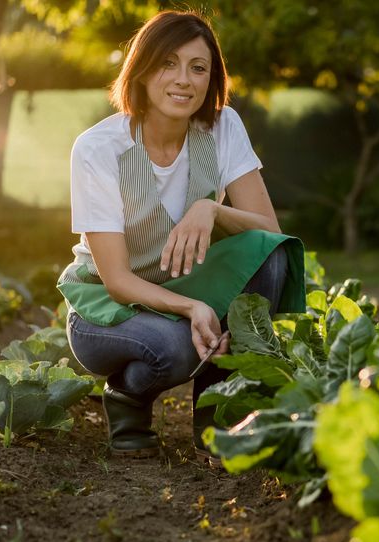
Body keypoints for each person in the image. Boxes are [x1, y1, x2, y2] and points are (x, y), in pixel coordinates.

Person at [57, 10, 304, 458]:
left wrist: (210, 208)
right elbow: (116, 278)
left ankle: (221, 416)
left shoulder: (223, 127)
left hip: (185, 283)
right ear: (142, 69)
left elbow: (270, 232)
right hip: (107, 308)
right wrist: (194, 307)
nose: (183, 80)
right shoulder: (98, 148)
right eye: (167, 63)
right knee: (174, 348)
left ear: (212, 78)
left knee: (271, 255)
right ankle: (127, 398)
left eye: (198, 67)